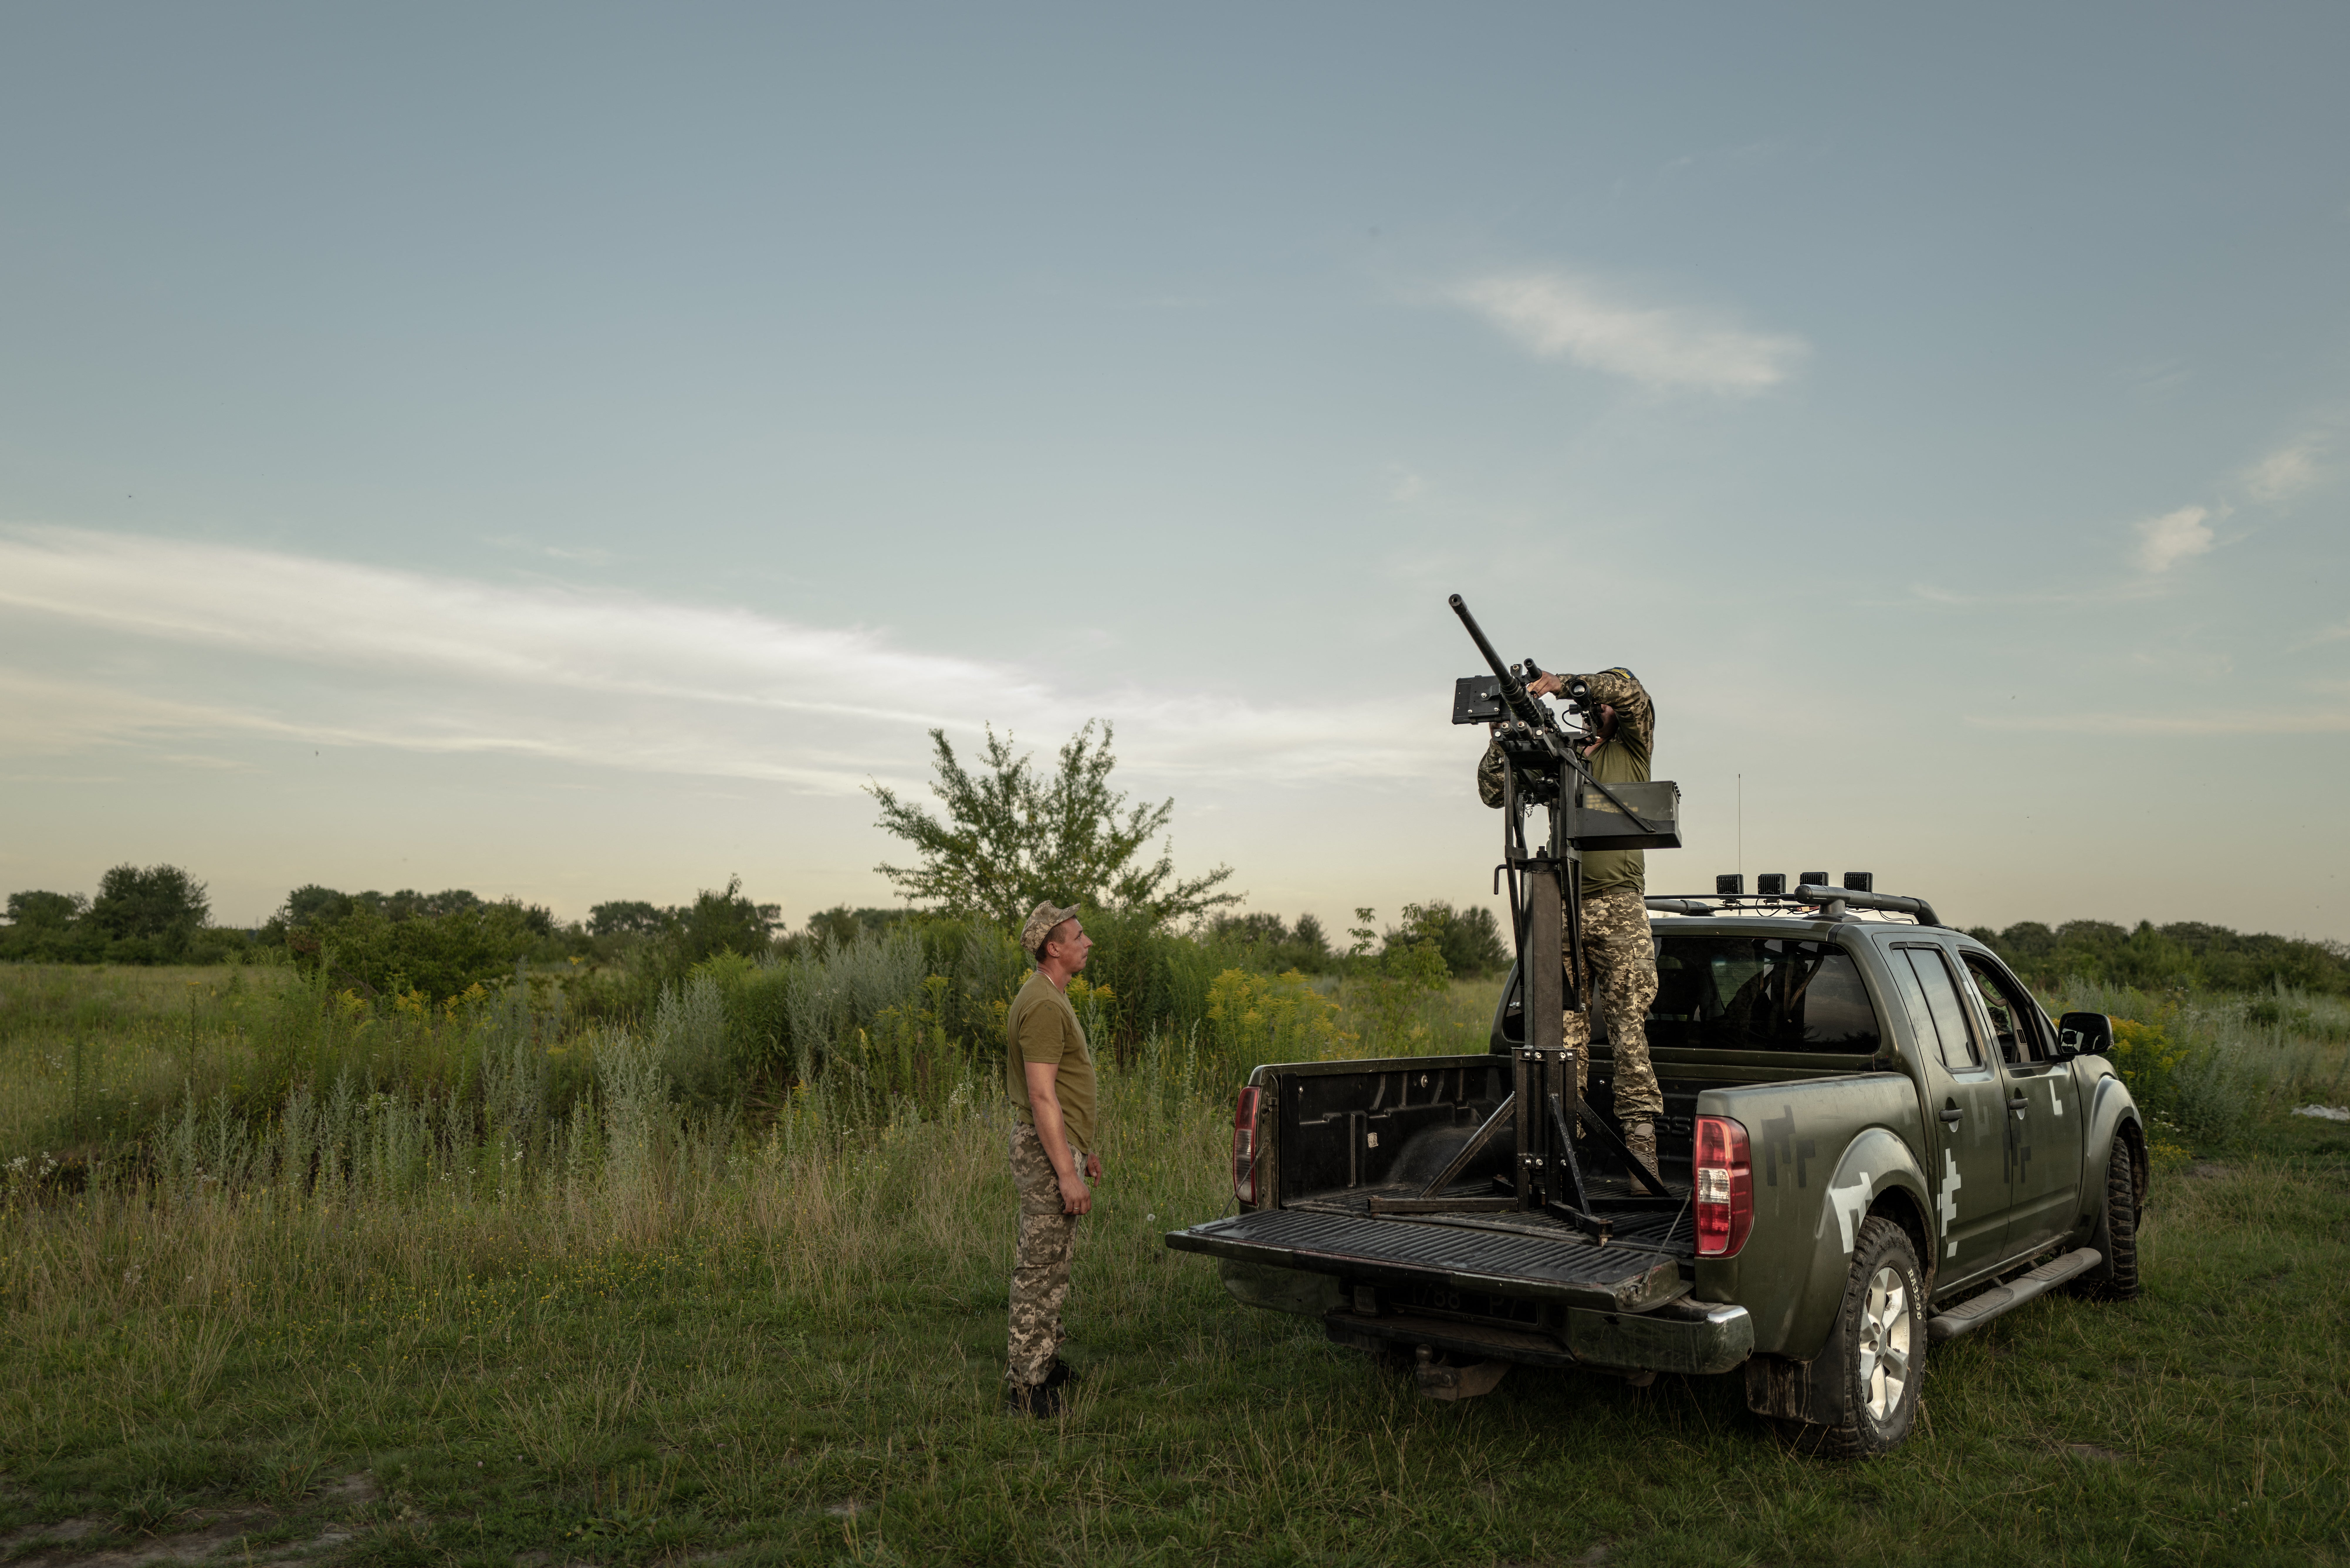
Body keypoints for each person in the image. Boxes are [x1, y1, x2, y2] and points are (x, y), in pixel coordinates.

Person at [1477, 667, 1663, 1178]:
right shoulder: (1561, 756)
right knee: (1563, 1034)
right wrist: (1509, 731)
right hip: (1562, 906)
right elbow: (1494, 791)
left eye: (1596, 702)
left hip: (1619, 905)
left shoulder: (1629, 747)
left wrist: (1565, 682)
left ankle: (1641, 1149)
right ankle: (1564, 1150)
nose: (1595, 707)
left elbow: (1630, 691)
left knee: (1628, 1029)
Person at [1003, 899, 1103, 1416]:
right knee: (1040, 1267)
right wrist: (1065, 1171)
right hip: (1046, 1156)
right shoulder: (1042, 1003)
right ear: (1053, 947)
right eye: (1079, 936)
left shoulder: (1050, 995)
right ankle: (1026, 1386)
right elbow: (1042, 1096)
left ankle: (1045, 1358)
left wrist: (1083, 1151)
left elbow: (1063, 1089)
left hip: (1059, 1148)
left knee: (1054, 1262)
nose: (1088, 943)